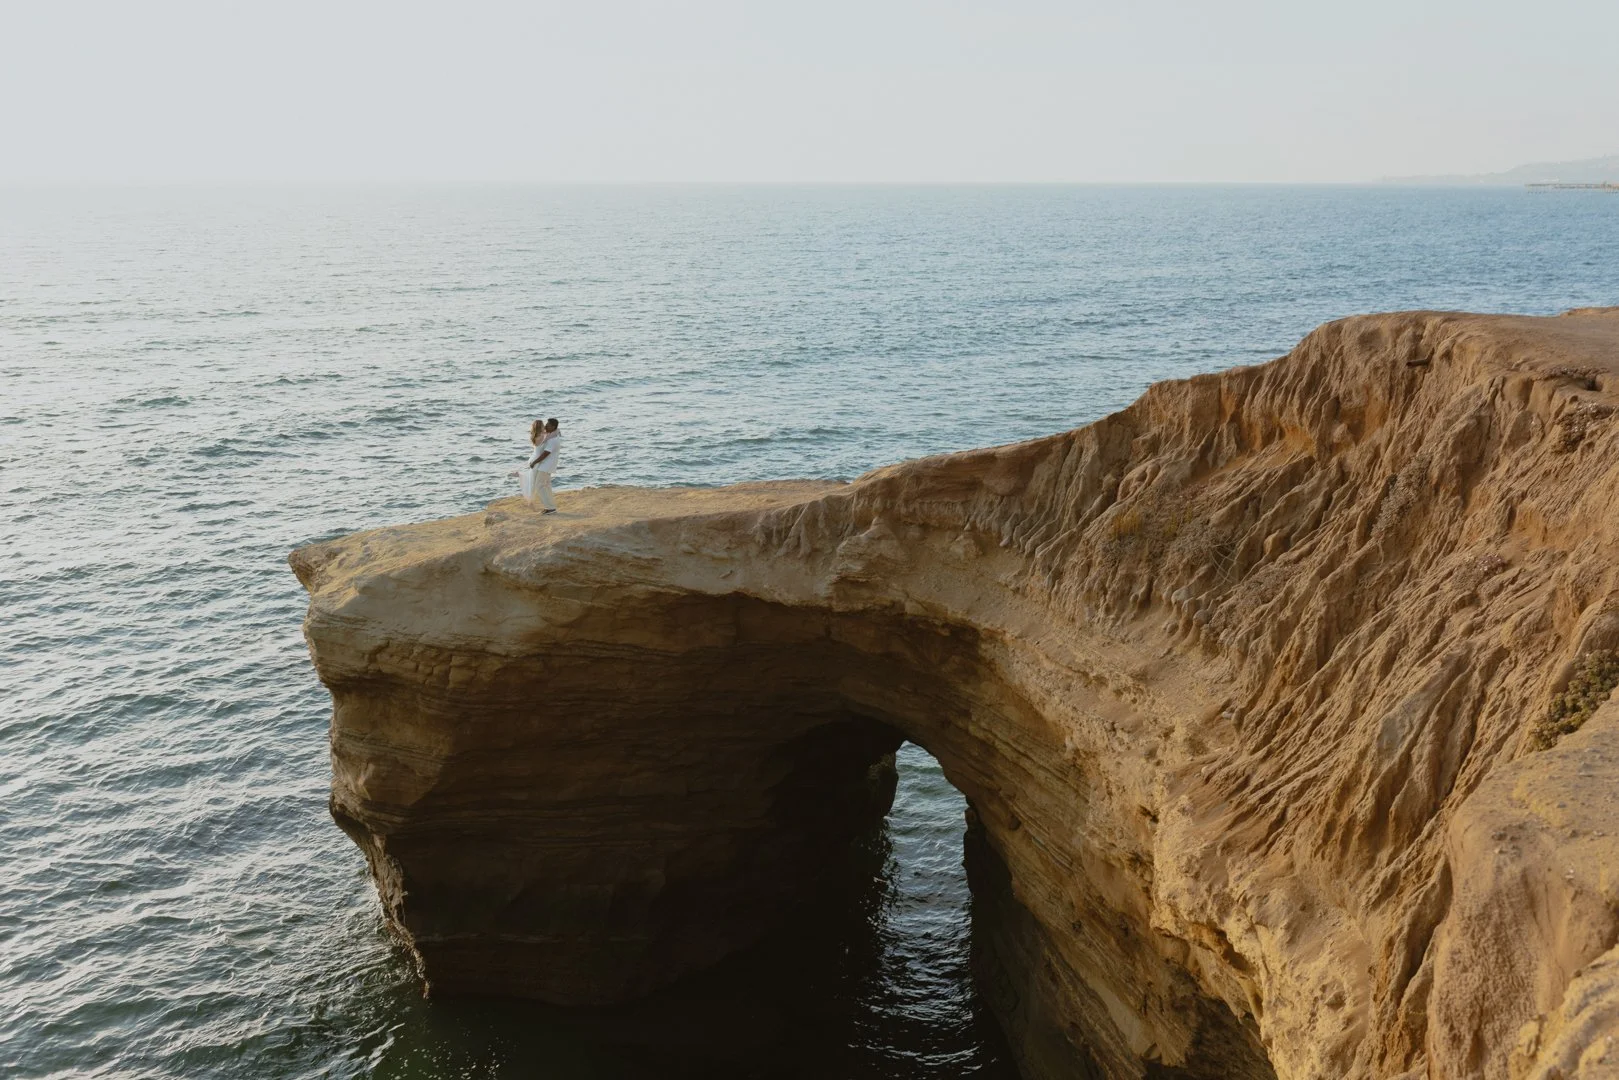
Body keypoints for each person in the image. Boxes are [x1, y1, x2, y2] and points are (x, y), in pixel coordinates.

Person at [526, 417, 560, 513]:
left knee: (539, 485)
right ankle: (551, 506)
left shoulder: (552, 439)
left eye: (547, 425)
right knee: (546, 486)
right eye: (545, 425)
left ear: (553, 427)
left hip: (546, 465)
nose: (545, 426)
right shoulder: (550, 436)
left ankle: (550, 508)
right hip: (545, 464)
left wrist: (535, 462)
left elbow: (545, 454)